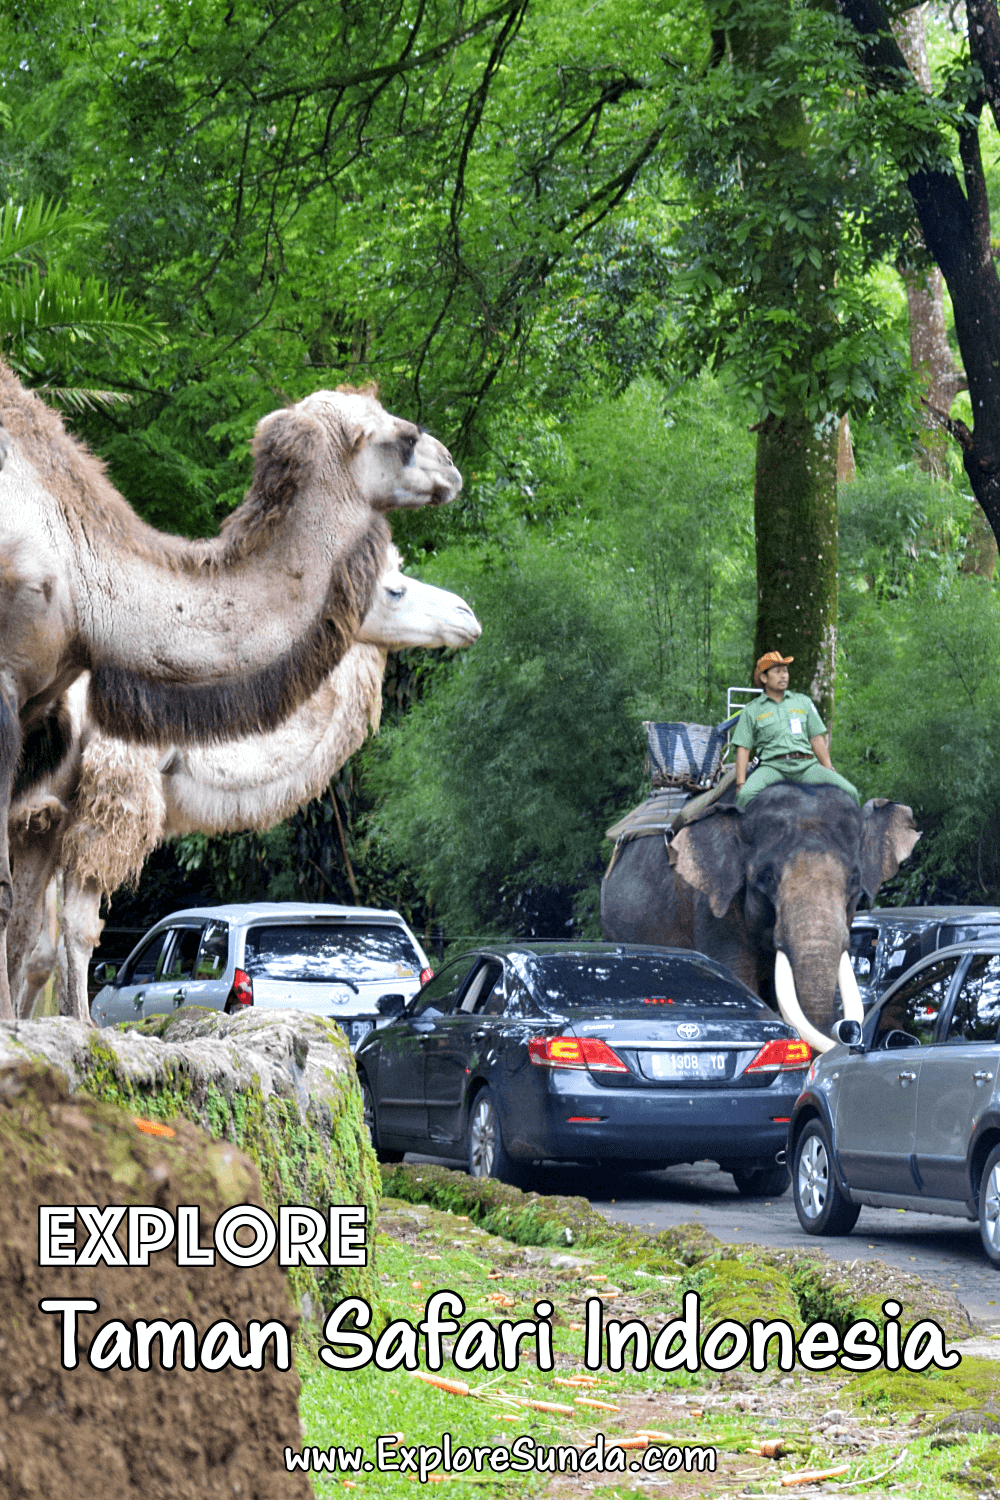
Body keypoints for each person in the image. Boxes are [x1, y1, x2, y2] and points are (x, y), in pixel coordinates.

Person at [732, 651, 860, 810]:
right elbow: (743, 748)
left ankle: (856, 834)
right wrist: (740, 783)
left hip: (805, 766)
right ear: (764, 678)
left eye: (785, 671)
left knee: (850, 792)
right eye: (777, 671)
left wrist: (828, 768)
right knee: (745, 796)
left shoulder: (803, 702)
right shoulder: (751, 710)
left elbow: (816, 738)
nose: (783, 676)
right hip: (772, 767)